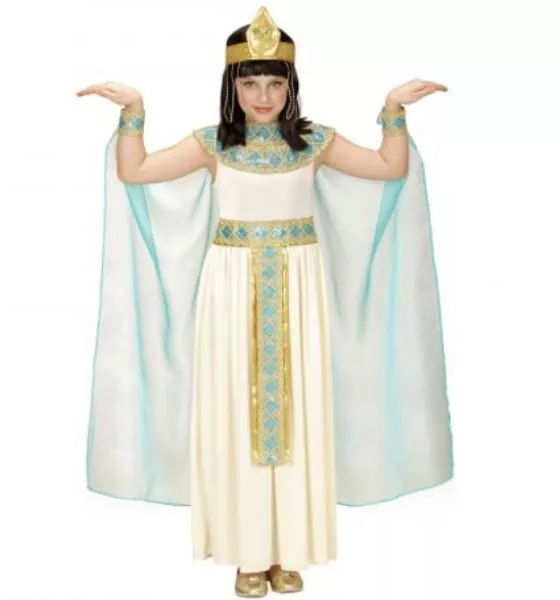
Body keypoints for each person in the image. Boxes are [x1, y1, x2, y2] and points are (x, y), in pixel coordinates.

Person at [76, 5, 454, 597]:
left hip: (300, 293)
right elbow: (136, 172)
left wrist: (392, 109)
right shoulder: (212, 145)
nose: (262, 96)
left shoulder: (314, 143)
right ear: (232, 86)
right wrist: (134, 111)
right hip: (229, 293)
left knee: (299, 413)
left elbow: (389, 167)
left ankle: (289, 551)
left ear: (290, 85)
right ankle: (248, 554)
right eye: (250, 82)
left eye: (274, 83)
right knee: (234, 414)